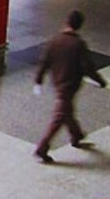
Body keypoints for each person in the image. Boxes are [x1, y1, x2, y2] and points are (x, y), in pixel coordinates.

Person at [33, 10, 107, 163]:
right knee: (60, 116)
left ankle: (77, 135)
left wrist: (38, 80)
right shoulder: (78, 44)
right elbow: (88, 67)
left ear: (66, 22)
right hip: (69, 85)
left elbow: (44, 62)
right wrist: (100, 81)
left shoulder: (55, 40)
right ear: (79, 26)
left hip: (58, 82)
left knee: (66, 111)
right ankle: (42, 147)